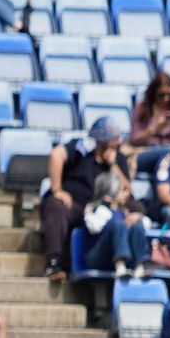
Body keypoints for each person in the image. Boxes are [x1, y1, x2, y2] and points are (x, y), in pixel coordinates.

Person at [41, 117, 130, 282]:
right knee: (56, 205)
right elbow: (55, 154)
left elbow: (126, 189)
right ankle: (53, 264)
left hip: (98, 209)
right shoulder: (82, 148)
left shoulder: (119, 159)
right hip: (73, 204)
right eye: (114, 139)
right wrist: (57, 190)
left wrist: (113, 165)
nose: (118, 143)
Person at [83, 172, 152, 280]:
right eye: (121, 190)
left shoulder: (122, 211)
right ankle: (120, 267)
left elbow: (147, 224)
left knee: (137, 225)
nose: (126, 194)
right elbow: (94, 227)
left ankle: (139, 267)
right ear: (109, 196)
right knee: (117, 224)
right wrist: (122, 223)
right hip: (98, 258)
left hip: (117, 257)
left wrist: (138, 217)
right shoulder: (98, 209)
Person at [130, 71, 170, 176]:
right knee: (169, 154)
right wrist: (154, 127)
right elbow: (135, 140)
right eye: (161, 95)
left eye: (169, 95)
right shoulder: (142, 109)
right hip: (146, 151)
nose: (166, 99)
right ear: (153, 92)